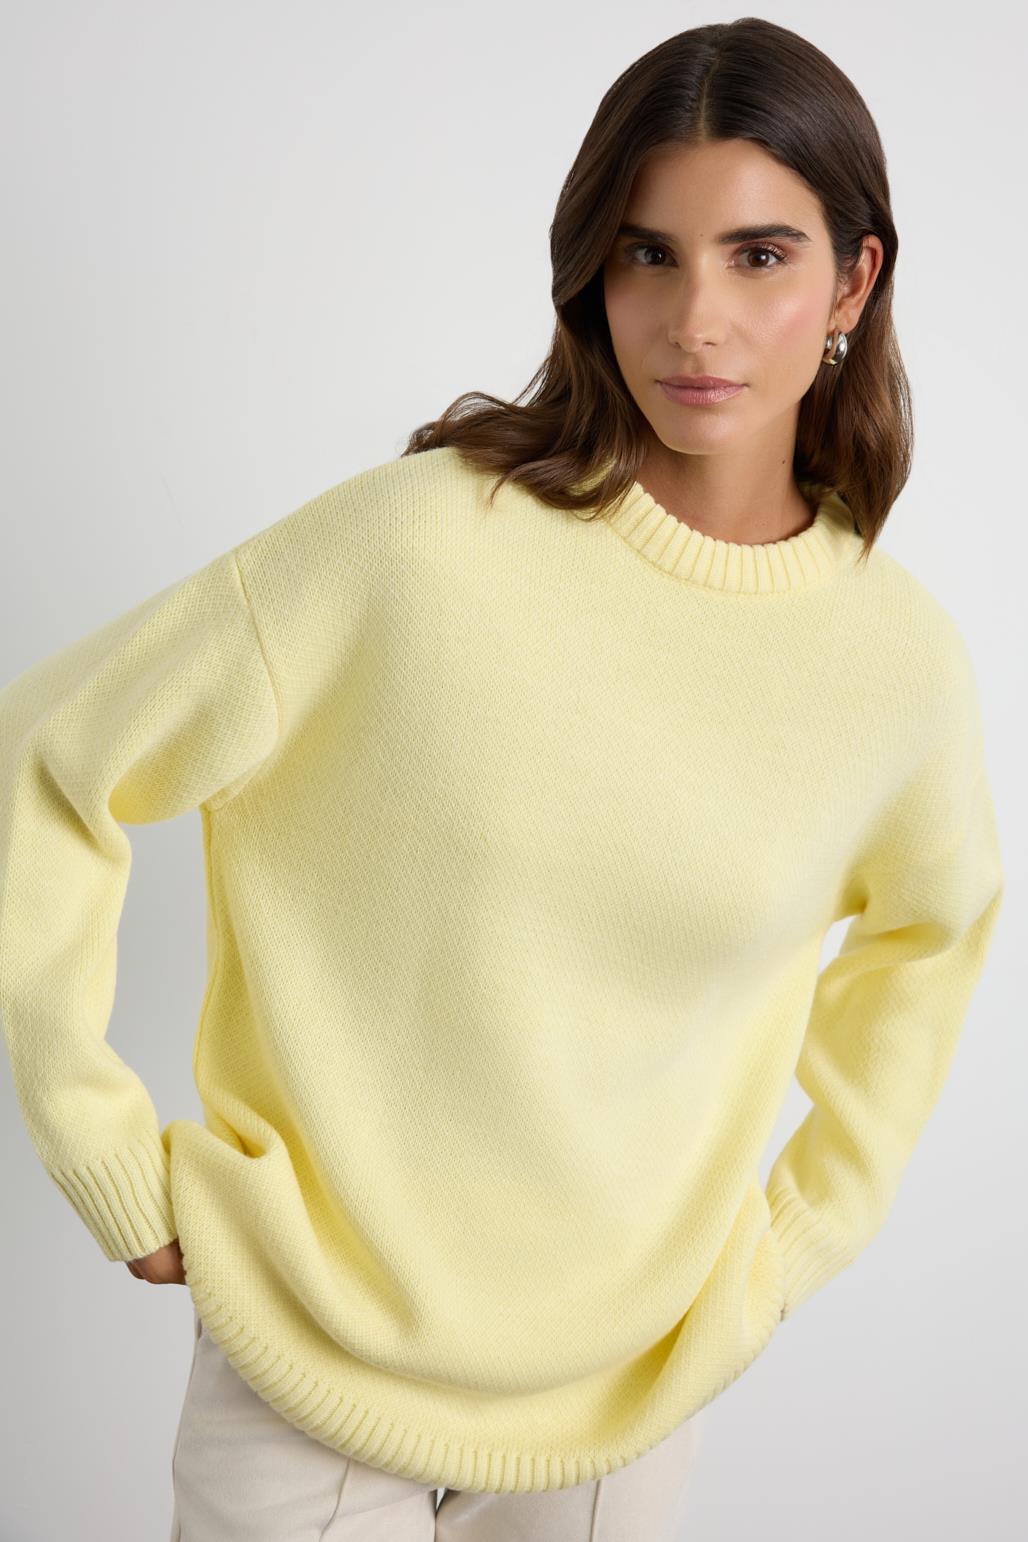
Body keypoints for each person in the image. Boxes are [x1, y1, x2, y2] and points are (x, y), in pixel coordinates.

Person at [0, 17, 1004, 1541]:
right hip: (310, 1367)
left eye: (760, 256)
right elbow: (49, 755)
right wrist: (101, 1148)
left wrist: (794, 1241)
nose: (697, 321)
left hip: (628, 1401)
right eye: (649, 255)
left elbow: (935, 938)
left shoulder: (896, 665)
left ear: (855, 282)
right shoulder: (417, 544)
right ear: (592, 271)